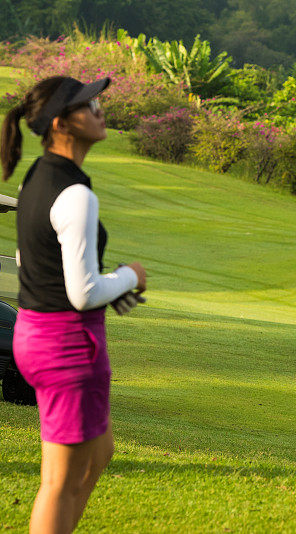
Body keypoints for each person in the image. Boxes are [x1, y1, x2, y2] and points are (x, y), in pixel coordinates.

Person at [1, 76, 147, 534]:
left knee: (99, 454)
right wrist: (129, 277)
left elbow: (34, 260)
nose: (100, 110)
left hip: (39, 333)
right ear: (62, 122)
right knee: (59, 482)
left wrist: (110, 284)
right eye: (89, 104)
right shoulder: (76, 194)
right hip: (64, 343)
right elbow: (82, 292)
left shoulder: (37, 179)